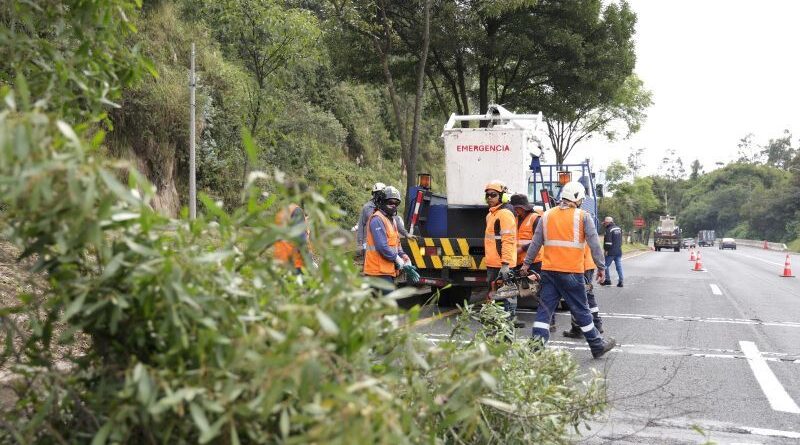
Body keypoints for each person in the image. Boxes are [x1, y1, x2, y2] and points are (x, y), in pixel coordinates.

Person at [520, 181, 616, 358]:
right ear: (578, 199)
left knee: (545, 310)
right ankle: (596, 345)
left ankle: (536, 347)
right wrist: (601, 267)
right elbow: (594, 244)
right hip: (572, 272)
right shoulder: (583, 216)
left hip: (548, 272)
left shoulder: (547, 216)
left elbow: (535, 243)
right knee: (581, 310)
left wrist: (526, 264)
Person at [364, 186, 419, 293]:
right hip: (376, 272)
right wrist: (397, 259)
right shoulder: (377, 219)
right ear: (382, 202)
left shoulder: (392, 221)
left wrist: (405, 257)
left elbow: (396, 244)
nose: (394, 205)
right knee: (388, 306)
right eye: (390, 202)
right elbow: (382, 246)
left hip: (387, 271)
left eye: (396, 203)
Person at [483, 180, 518, 325]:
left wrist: (505, 264)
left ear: (502, 196)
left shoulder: (504, 214)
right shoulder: (491, 215)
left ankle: (507, 329)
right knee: (495, 297)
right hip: (493, 264)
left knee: (506, 298)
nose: (490, 197)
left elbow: (508, 240)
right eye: (487, 195)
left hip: (502, 265)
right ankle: (498, 327)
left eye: (493, 195)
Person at [562, 244, 604, 338]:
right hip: (588, 263)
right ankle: (597, 324)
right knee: (588, 294)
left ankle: (577, 328)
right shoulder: (586, 228)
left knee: (574, 296)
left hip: (578, 264)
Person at [274, 203, 312, 274]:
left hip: (281, 259)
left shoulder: (281, 212)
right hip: (296, 262)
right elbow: (300, 238)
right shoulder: (297, 211)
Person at [601, 216, 624, 287]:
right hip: (618, 251)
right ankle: (621, 281)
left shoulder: (609, 230)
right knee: (619, 266)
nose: (604, 224)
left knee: (605, 266)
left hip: (611, 252)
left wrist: (606, 250)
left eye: (605, 223)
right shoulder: (618, 228)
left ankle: (608, 280)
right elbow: (620, 241)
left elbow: (608, 242)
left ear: (608, 222)